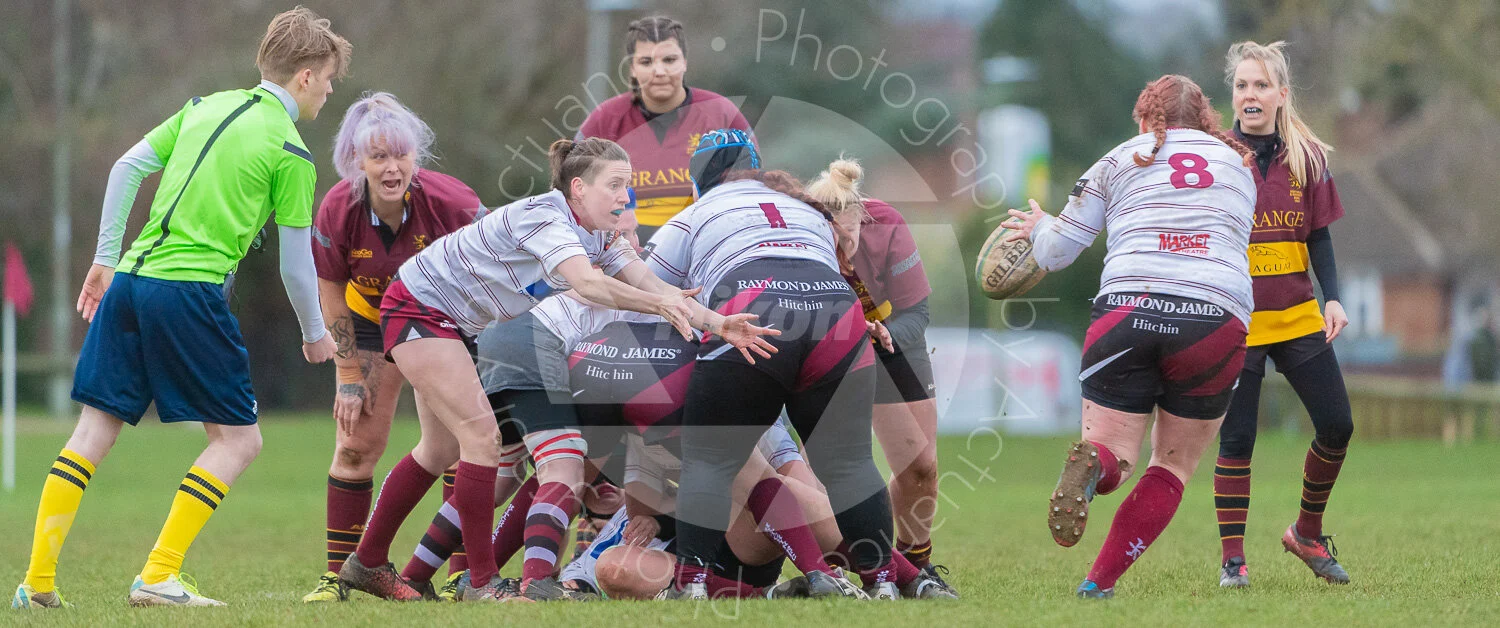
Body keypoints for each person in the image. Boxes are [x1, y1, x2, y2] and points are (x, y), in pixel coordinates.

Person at [337, 136, 778, 603]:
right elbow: (589, 285)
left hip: (450, 321)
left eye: (627, 186)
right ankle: (483, 584)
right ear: (578, 187)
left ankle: (367, 564)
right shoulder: (546, 216)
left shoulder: (599, 234)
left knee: (438, 449)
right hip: (420, 310)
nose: (624, 197)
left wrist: (719, 323)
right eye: (614, 185)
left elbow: (651, 283)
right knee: (481, 440)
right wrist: (660, 303)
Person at [10, 7, 348, 609]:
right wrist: (317, 334)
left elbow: (127, 165)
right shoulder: (292, 154)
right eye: (327, 77)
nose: (328, 89)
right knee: (239, 442)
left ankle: (36, 584)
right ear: (303, 76)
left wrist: (106, 256)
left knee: (92, 431)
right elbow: (296, 267)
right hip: (188, 293)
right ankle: (159, 575)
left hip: (132, 281)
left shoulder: (202, 106)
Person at [1002, 75, 1256, 599]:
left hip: (1127, 308)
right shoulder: (1239, 166)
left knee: (1115, 452)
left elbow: (1055, 254)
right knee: (1173, 464)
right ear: (1205, 119)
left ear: (1145, 119)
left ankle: (1095, 461)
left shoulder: (1120, 157)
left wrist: (1041, 227)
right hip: (1213, 313)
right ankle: (1098, 583)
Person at [647, 130, 907, 600]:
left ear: (697, 180)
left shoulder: (692, 215)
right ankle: (884, 581)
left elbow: (649, 298)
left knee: (710, 456)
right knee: (849, 462)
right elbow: (834, 271)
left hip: (753, 300)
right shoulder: (807, 208)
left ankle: (690, 586)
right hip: (835, 309)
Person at [300, 92, 484, 603]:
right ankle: (339, 576)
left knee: (460, 443)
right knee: (356, 445)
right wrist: (348, 377)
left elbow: (495, 264)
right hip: (367, 322)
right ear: (356, 160)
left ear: (415, 158)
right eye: (378, 156)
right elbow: (331, 292)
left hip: (438, 321)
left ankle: (460, 577)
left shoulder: (453, 202)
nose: (391, 166)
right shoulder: (338, 207)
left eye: (401, 154)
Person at [1213, 41, 1356, 588]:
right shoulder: (1216, 154)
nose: (1250, 95)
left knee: (1338, 425)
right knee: (1238, 439)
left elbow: (1318, 237)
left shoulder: (1310, 156)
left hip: (1298, 315)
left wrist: (1334, 297)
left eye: (1260, 86)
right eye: (1241, 86)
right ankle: (1234, 563)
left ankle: (1306, 533)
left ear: (1281, 94)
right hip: (1236, 320)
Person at [804, 158, 953, 592]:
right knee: (817, 476)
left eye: (848, 238)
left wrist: (882, 333)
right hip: (823, 350)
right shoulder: (800, 230)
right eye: (832, 240)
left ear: (861, 219)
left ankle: (914, 563)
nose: (842, 251)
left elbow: (918, 314)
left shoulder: (886, 222)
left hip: (890, 341)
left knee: (921, 468)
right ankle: (836, 569)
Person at [577, 15, 753, 241]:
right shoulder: (603, 121)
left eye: (669, 60)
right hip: (621, 252)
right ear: (632, 68)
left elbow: (752, 189)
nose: (659, 71)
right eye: (646, 62)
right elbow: (573, 195)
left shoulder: (723, 114)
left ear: (685, 62)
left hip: (704, 243)